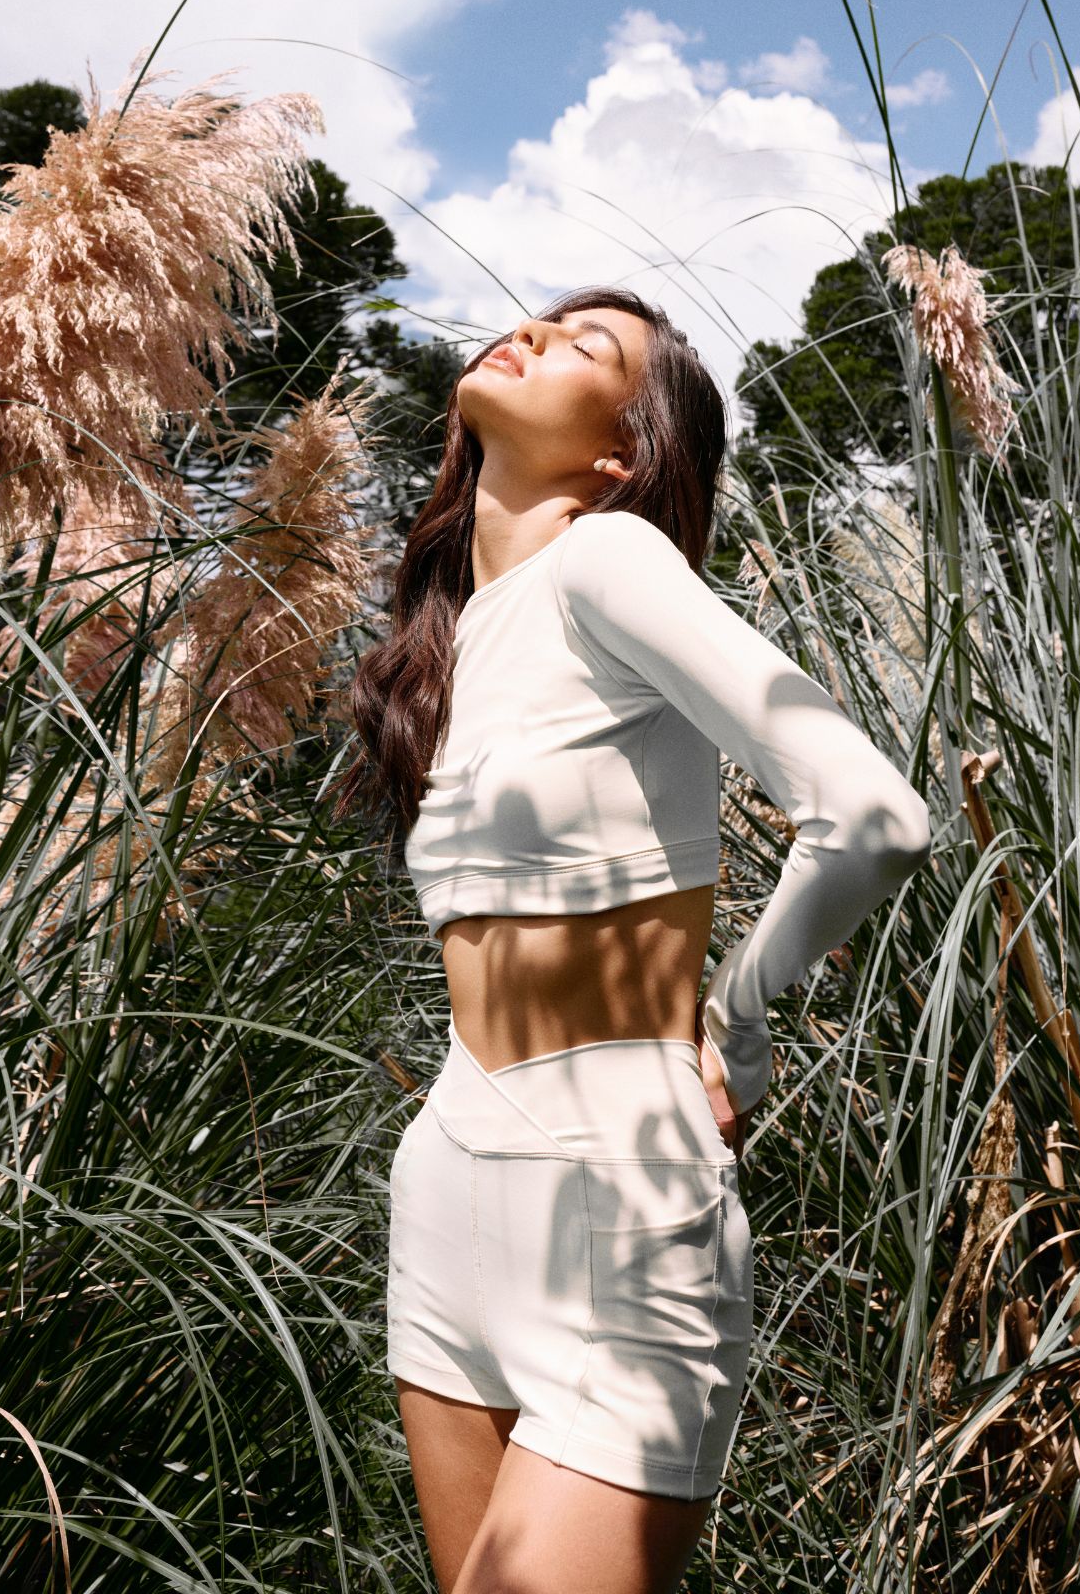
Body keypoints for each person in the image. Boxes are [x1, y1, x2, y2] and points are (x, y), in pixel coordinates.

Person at [333, 285, 933, 1594]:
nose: (535, 332)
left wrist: (742, 1019)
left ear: (620, 457)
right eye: (541, 320)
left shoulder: (604, 558)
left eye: (586, 345)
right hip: (446, 1183)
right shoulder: (454, 639)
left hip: (616, 1206)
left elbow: (874, 811)